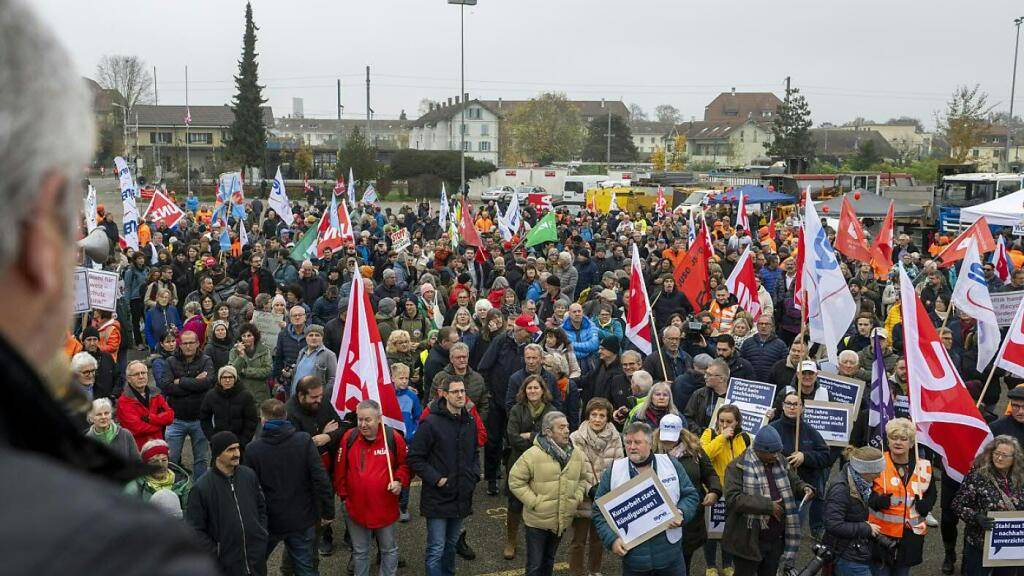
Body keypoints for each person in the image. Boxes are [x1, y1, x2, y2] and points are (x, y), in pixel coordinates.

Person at [591, 422, 700, 576]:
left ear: (650, 444)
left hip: (671, 557)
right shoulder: (614, 470)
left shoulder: (670, 464)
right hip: (635, 561)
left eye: (637, 442)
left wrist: (681, 512)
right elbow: (598, 511)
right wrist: (612, 540)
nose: (631, 447)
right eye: (628, 442)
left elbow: (690, 495)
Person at [244, 399, 334, 576]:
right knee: (305, 568)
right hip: (301, 518)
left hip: (269, 520)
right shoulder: (304, 441)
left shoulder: (253, 449)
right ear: (286, 416)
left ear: (263, 420)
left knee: (253, 565)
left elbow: (249, 488)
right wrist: (328, 511)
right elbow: (321, 478)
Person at [722, 426, 814, 576]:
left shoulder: (780, 460)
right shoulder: (737, 467)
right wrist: (768, 506)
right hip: (747, 540)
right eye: (771, 452)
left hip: (775, 539)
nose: (776, 456)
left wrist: (804, 488)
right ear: (759, 450)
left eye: (778, 451)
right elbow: (734, 499)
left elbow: (794, 481)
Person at [509, 411, 591, 576]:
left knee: (549, 561)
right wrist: (534, 502)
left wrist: (577, 497)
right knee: (535, 565)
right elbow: (515, 480)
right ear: (548, 432)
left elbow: (584, 477)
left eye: (567, 426)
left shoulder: (577, 454)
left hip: (561, 520)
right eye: (561, 427)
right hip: (537, 522)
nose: (567, 430)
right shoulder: (532, 455)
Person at [334, 399, 410, 576]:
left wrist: (399, 481)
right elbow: (339, 472)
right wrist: (344, 498)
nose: (362, 424)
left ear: (379, 419)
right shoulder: (349, 438)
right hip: (356, 509)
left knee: (388, 550)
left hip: (385, 508)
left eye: (367, 420)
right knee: (360, 552)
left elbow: (406, 465)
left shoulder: (392, 438)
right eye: (360, 419)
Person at [187, 431, 269, 576]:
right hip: (225, 566)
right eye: (230, 450)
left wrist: (260, 534)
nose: (237, 453)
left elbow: (261, 508)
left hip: (255, 561)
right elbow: (195, 530)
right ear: (217, 454)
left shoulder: (248, 475)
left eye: (237, 448)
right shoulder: (201, 488)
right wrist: (217, 552)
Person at [286, 376, 348, 558]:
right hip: (307, 471)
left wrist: (328, 437)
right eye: (314, 397)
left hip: (331, 464)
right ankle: (324, 537)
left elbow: (341, 427)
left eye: (320, 396)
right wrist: (319, 437)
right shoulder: (290, 413)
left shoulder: (323, 403)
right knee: (317, 504)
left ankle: (348, 534)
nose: (319, 400)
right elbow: (296, 447)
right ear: (301, 396)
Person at [868, 418, 936, 576]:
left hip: (910, 536)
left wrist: (927, 505)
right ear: (888, 440)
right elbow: (864, 492)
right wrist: (875, 501)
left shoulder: (924, 466)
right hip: (881, 534)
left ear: (912, 443)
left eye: (904, 439)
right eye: (894, 437)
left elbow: (932, 492)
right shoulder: (877, 462)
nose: (898, 442)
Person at [654, 414, 721, 575]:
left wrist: (714, 491)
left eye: (672, 438)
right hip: (658, 517)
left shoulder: (695, 450)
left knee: (684, 561)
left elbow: (710, 474)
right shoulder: (650, 450)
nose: (668, 442)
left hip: (689, 517)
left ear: (681, 433)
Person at [952, 435, 1024, 576]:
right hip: (980, 544)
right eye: (996, 453)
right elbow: (957, 504)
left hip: (1010, 544)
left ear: (1014, 458)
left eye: (1004, 455)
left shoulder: (1020, 478)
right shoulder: (978, 475)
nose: (999, 458)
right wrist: (976, 517)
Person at [505, 374, 559, 560]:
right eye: (529, 388)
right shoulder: (516, 410)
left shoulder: (552, 411)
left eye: (536, 388)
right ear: (524, 391)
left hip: (544, 465)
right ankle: (511, 541)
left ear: (543, 390)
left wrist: (530, 435)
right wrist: (538, 439)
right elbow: (512, 437)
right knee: (514, 504)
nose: (533, 391)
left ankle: (537, 546)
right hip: (518, 462)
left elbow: (554, 437)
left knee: (540, 505)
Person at [568, 398, 623, 576]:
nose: (597, 419)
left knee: (598, 539)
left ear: (608, 418)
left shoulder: (615, 437)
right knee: (579, 539)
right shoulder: (576, 438)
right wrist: (591, 489)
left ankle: (594, 570)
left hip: (605, 496)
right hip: (583, 496)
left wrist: (606, 490)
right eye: (594, 415)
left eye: (602, 415)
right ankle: (577, 571)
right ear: (588, 416)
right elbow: (576, 469)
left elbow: (618, 466)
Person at [768, 391, 832, 540]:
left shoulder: (810, 432)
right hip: (775, 490)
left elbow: (825, 456)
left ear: (802, 408)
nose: (792, 407)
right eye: (788, 404)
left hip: (800, 493)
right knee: (773, 531)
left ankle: (789, 561)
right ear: (783, 406)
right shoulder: (772, 429)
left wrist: (806, 456)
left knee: (793, 532)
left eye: (796, 404)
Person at [699, 404, 748, 575]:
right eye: (721, 421)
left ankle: (727, 564)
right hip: (714, 491)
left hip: (735, 492)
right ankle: (710, 565)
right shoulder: (709, 434)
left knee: (730, 530)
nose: (725, 424)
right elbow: (702, 455)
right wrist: (721, 438)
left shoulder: (745, 438)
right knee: (712, 532)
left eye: (729, 421)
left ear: (737, 422)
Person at [824, 446, 887, 576]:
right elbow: (833, 524)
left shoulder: (859, 483)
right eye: (876, 472)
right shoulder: (841, 490)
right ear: (865, 471)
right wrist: (866, 528)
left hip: (852, 548)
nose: (879, 475)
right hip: (845, 553)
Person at [161, 329, 214, 479]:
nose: (188, 346)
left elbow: (208, 383)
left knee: (201, 459)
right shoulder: (171, 361)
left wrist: (182, 381)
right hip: (176, 419)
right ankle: (175, 489)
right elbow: (167, 387)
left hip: (200, 419)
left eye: (191, 343)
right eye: (185, 343)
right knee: (172, 459)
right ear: (180, 344)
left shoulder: (206, 360)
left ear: (198, 343)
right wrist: (196, 382)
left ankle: (200, 492)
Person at [117, 360, 175, 450]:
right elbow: (137, 428)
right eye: (136, 374)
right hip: (137, 450)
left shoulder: (156, 394)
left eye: (143, 373)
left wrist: (150, 418)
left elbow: (170, 417)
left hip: (158, 447)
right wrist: (160, 424)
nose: (141, 376)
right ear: (128, 379)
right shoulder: (123, 401)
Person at [125, 439, 193, 511]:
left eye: (164, 460)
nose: (160, 465)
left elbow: (189, 512)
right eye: (154, 461)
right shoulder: (136, 485)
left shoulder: (183, 482)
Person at [200, 365, 259, 447]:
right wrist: (212, 437)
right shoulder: (211, 395)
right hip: (219, 441)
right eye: (224, 377)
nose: (227, 380)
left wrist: (243, 440)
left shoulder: (245, 395)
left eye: (230, 377)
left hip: (240, 442)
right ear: (219, 379)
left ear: (235, 379)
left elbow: (251, 420)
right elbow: (204, 418)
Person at [84, 398, 140, 463]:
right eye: (99, 414)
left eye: (106, 413)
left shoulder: (125, 434)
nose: (103, 417)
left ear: (111, 415)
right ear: (91, 418)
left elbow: (137, 462)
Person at [230, 322, 274, 404]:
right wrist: (240, 356)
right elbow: (232, 372)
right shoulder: (234, 351)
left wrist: (246, 371)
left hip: (260, 393)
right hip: (241, 392)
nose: (246, 338)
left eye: (249, 335)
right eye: (244, 336)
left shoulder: (265, 350)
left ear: (254, 336)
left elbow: (268, 371)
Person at [685, 358, 731, 433]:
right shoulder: (699, 394)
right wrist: (702, 432)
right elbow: (687, 418)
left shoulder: (734, 396)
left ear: (721, 379)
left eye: (709, 375)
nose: (705, 377)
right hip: (703, 440)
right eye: (705, 373)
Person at [290, 324, 337, 396]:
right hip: (296, 398)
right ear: (306, 337)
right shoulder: (302, 353)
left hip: (314, 400)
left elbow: (333, 379)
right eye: (311, 335)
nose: (314, 338)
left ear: (322, 337)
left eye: (317, 335)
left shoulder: (329, 355)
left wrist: (321, 397)